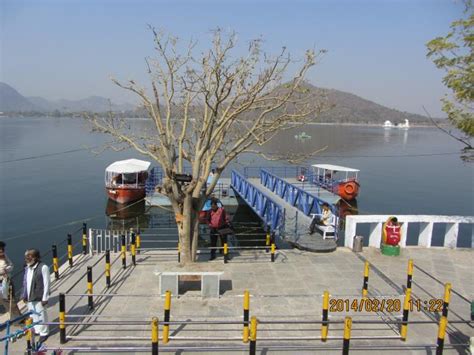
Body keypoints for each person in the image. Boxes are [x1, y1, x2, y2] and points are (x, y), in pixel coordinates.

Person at [22, 249, 50, 344]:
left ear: (36, 257)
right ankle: (37, 330)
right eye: (27, 256)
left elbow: (47, 283)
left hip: (39, 295)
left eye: (30, 256)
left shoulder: (43, 267)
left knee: (41, 314)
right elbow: (25, 282)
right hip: (30, 295)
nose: (28, 258)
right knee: (32, 314)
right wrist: (24, 294)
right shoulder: (27, 267)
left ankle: (44, 332)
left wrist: (45, 298)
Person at [0, 241, 21, 317]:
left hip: (6, 280)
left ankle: (17, 319)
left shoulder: (5, 256)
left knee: (11, 300)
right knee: (5, 301)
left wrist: (7, 269)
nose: (2, 251)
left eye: (3, 249)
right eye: (0, 249)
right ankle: (16, 317)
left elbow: (11, 265)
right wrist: (2, 271)